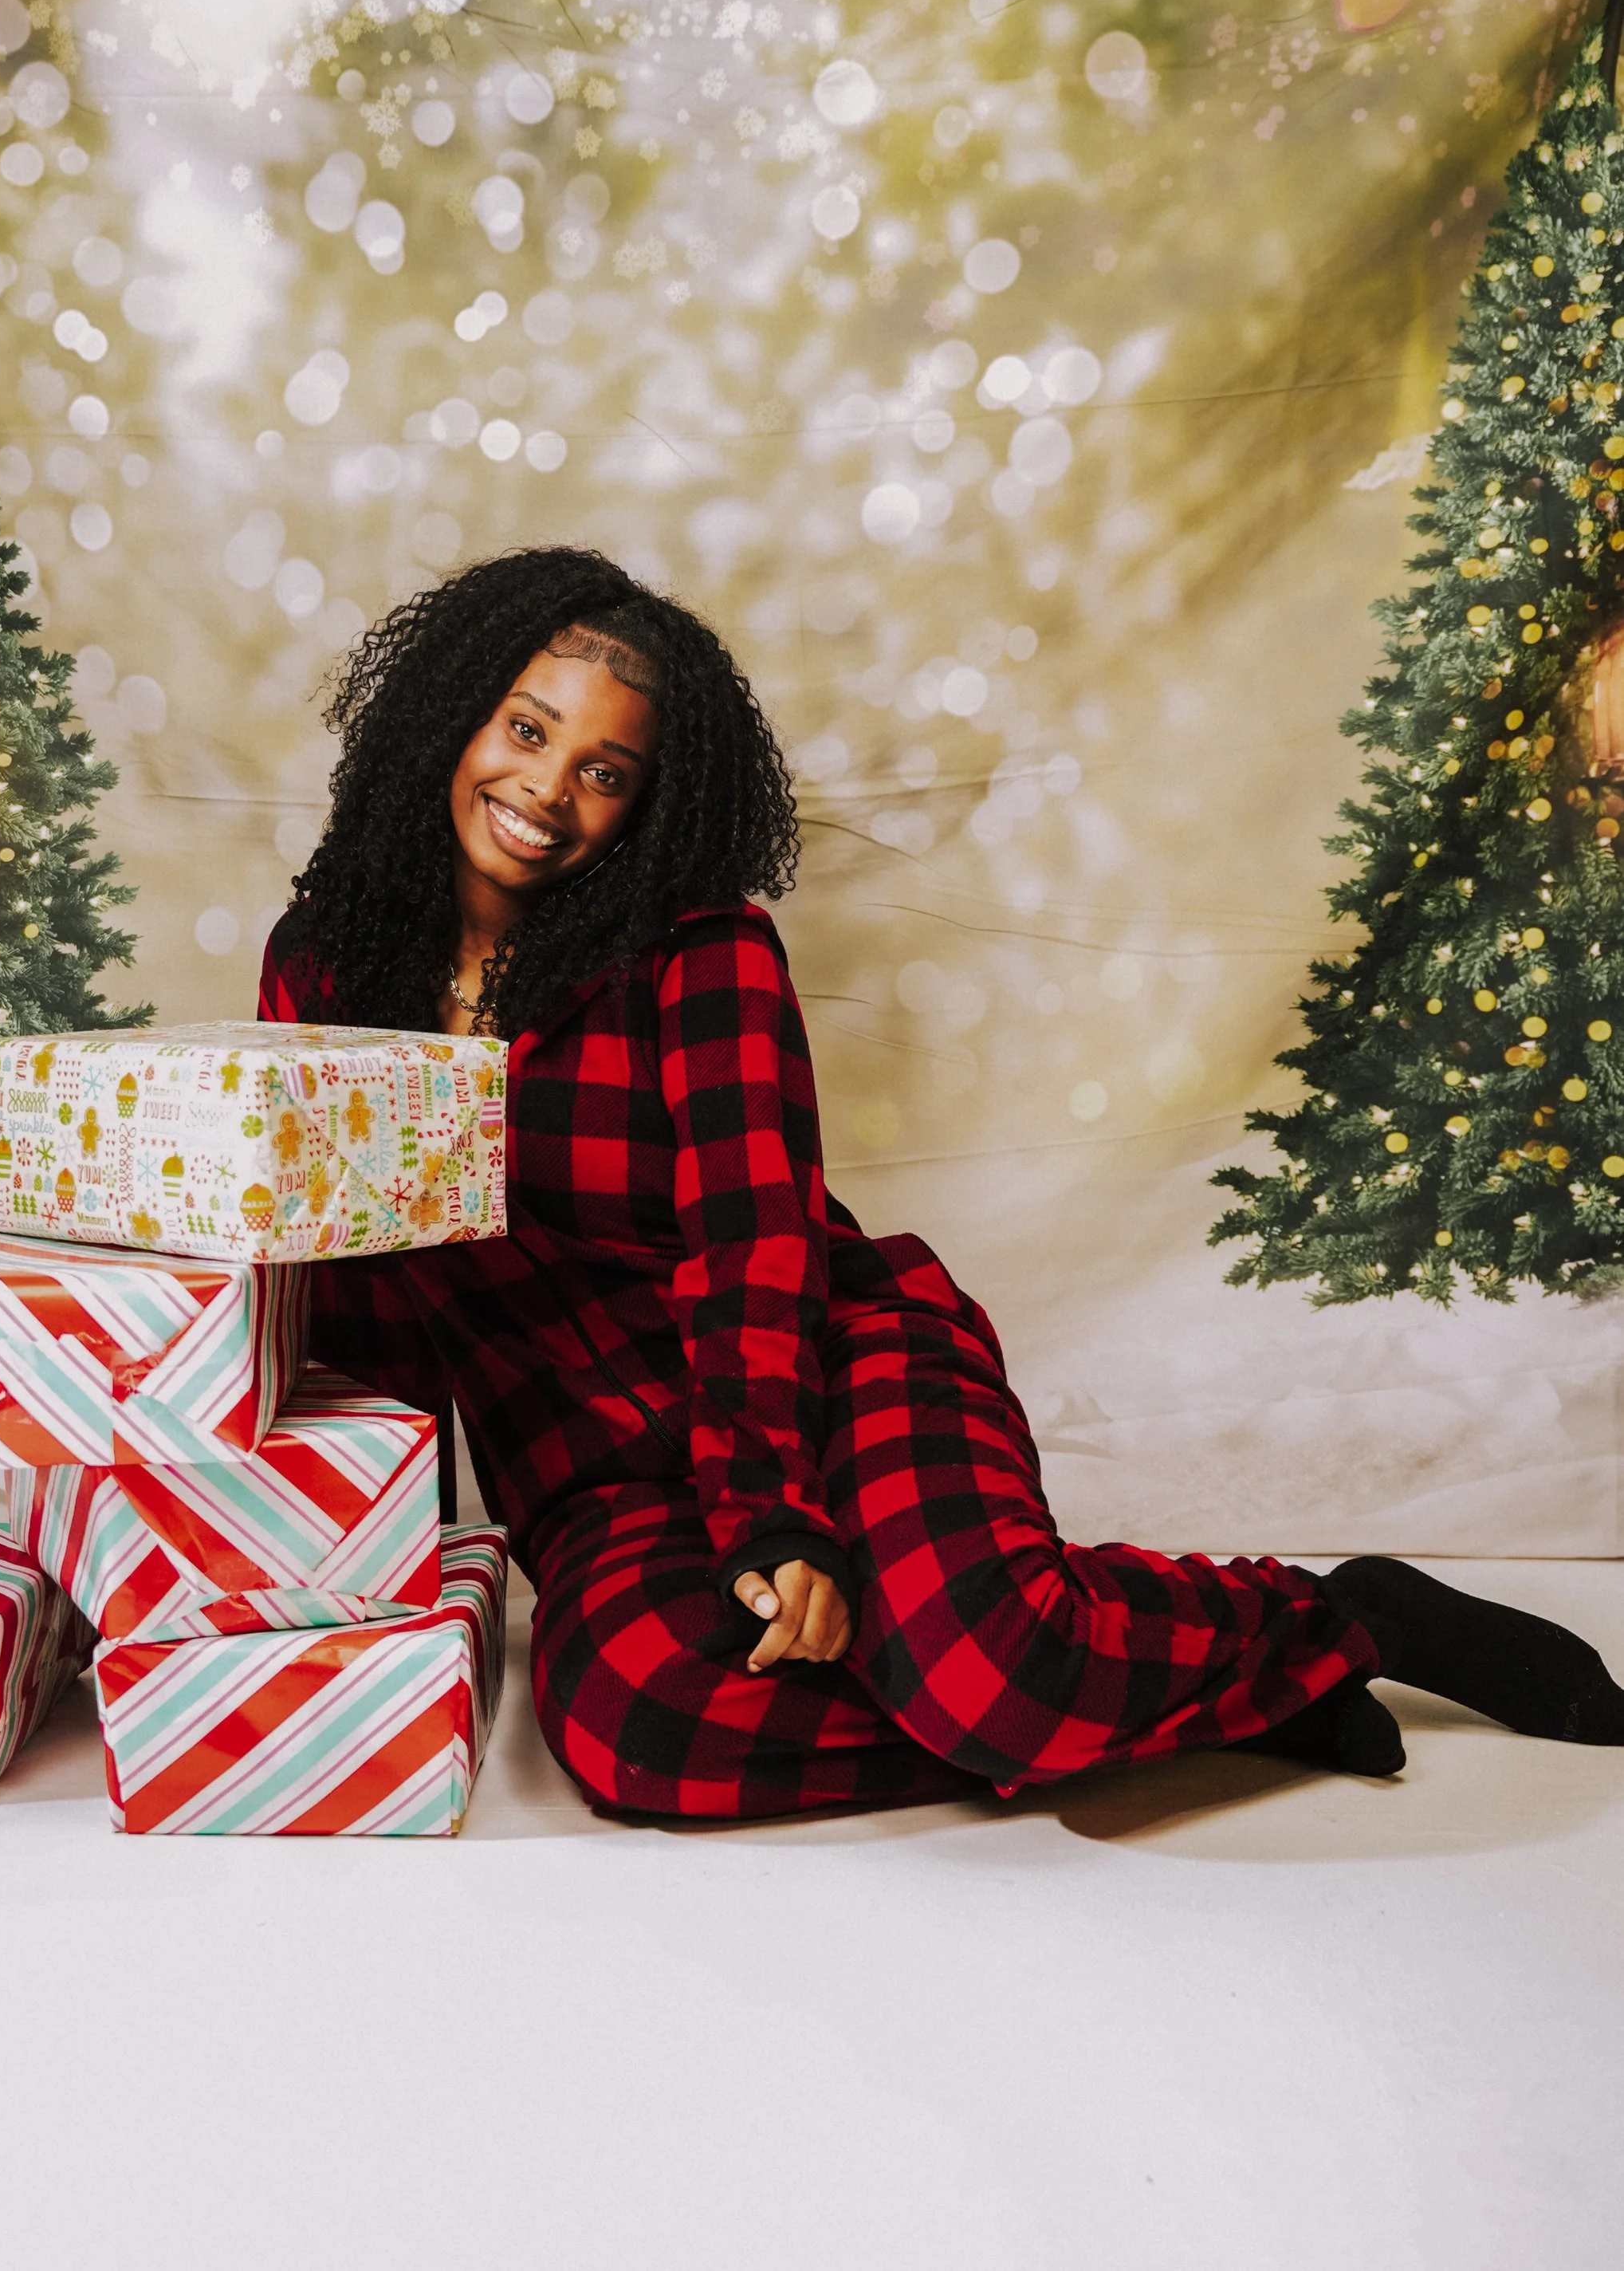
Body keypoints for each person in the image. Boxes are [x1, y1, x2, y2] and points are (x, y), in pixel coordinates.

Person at [260, 546, 1624, 1820]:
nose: (550, 791)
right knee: (637, 1730)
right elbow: (356, 1299)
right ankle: (1149, 1699)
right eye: (526, 730)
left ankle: (1339, 1622)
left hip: (826, 1375)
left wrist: (769, 1520)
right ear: (451, 718)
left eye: (608, 772)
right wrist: (360, 1563)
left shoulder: (701, 948)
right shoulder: (322, 970)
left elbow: (756, 1246)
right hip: (595, 1469)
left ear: (650, 804)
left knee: (993, 1663)